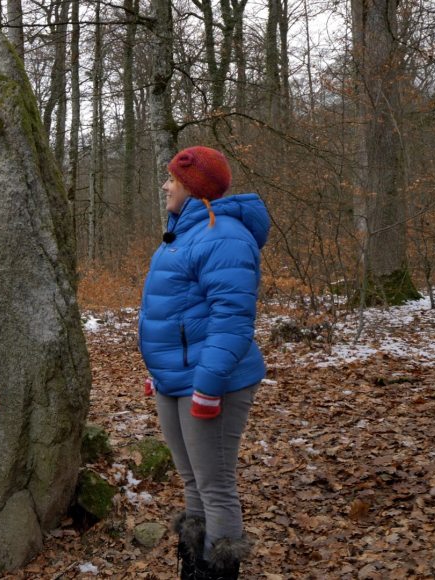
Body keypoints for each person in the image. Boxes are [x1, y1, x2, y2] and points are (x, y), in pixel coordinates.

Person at [138, 146, 270, 580]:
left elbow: (231, 320)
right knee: (192, 482)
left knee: (214, 487)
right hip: (177, 379)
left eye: (172, 179)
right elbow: (175, 313)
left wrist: (208, 386)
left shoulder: (224, 235)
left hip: (212, 381)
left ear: (193, 187)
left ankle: (219, 570)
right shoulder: (185, 233)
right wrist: (160, 371)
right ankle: (194, 568)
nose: (165, 186)